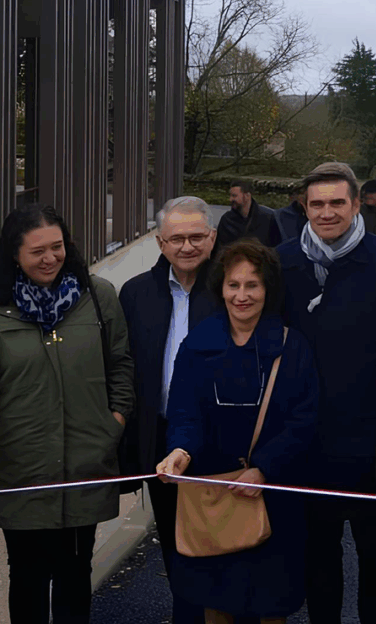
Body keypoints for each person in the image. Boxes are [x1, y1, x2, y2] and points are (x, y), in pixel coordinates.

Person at [277, 162, 376, 624]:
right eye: (317, 204)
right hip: (309, 442)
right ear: (304, 206)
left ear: (357, 204)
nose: (327, 212)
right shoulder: (281, 263)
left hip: (375, 442)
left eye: (338, 202)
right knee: (319, 562)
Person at [157, 238, 319, 623]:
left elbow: (304, 417)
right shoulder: (197, 344)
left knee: (271, 606)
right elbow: (183, 411)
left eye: (252, 285)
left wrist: (264, 467)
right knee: (216, 605)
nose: (242, 296)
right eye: (234, 285)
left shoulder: (291, 346)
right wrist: (180, 451)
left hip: (272, 496)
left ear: (268, 289)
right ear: (221, 288)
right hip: (212, 493)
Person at [0, 203, 135, 623]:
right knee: (27, 574)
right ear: (13, 255)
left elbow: (121, 364)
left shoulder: (98, 297)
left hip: (85, 464)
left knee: (75, 571)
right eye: (37, 251)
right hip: (20, 469)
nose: (50, 258)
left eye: (57, 247)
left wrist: (115, 421)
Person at [118, 195, 219, 624]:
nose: (187, 246)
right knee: (176, 544)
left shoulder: (232, 289)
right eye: (177, 238)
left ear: (212, 238)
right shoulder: (137, 293)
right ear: (160, 242)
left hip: (220, 443)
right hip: (161, 440)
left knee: (221, 545)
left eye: (197, 236)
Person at [215, 180, 282, 251]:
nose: (230, 199)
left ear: (247, 196)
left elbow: (277, 248)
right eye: (230, 196)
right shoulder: (226, 220)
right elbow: (219, 249)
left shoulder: (269, 217)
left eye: (234, 196)